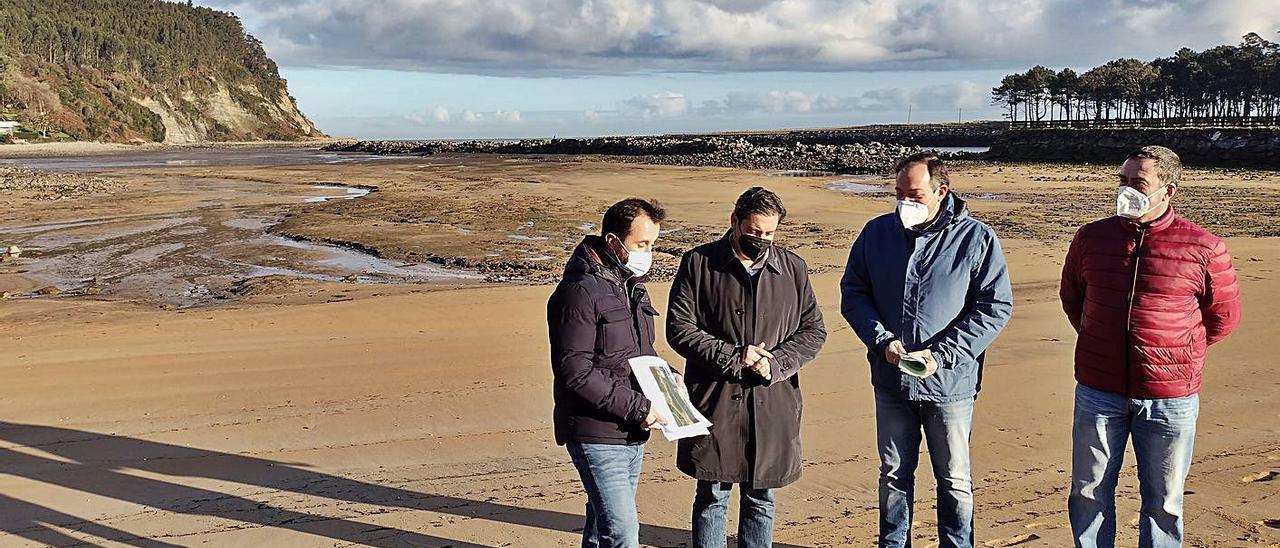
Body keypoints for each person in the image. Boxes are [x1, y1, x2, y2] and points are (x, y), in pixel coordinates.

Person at [1061, 145, 1241, 548]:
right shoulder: (1091, 238)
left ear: (1168, 191)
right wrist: (1100, 338)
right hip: (1098, 390)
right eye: (1122, 181)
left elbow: (1223, 317)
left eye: (1138, 182)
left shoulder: (1204, 246)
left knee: (1164, 501)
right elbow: (1073, 299)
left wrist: (1175, 352)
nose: (1126, 189)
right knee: (1088, 492)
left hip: (1169, 396)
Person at [840, 152, 1013, 548]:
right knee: (893, 475)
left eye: (914, 194)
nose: (905, 202)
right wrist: (881, 340)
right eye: (899, 193)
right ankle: (893, 543)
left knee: (953, 478)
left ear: (941, 190)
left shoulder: (976, 238)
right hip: (891, 380)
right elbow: (854, 293)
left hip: (950, 386)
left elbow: (994, 306)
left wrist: (943, 354)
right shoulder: (876, 233)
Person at [666, 187, 827, 548]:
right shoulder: (698, 263)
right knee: (712, 497)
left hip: (774, 401)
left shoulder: (793, 268)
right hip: (716, 400)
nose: (762, 240)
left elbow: (813, 330)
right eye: (754, 231)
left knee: (762, 500)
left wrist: (778, 363)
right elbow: (679, 329)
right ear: (734, 222)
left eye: (769, 234)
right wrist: (734, 355)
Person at [548, 197, 683, 548]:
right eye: (641, 244)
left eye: (652, 244)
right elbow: (574, 371)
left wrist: (666, 377)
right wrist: (638, 407)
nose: (648, 253)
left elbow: (638, 353)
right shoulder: (578, 293)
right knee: (622, 533)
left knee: (599, 527)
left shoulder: (630, 286)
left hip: (632, 430)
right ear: (613, 242)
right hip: (595, 430)